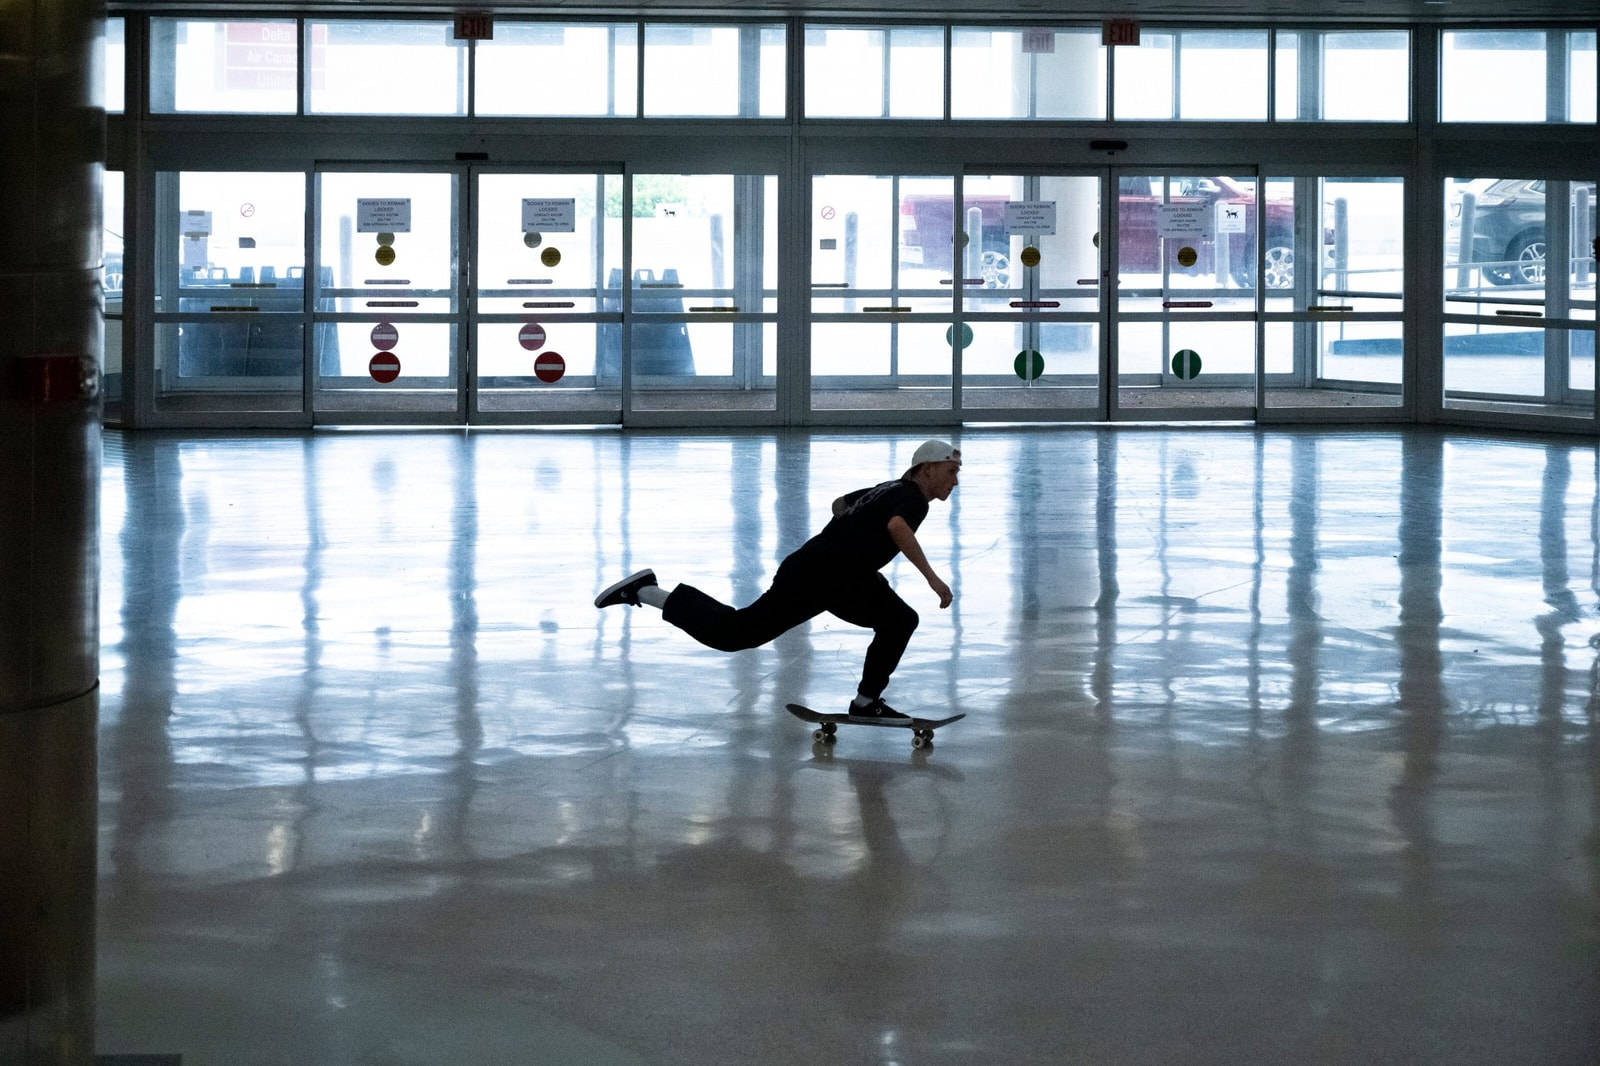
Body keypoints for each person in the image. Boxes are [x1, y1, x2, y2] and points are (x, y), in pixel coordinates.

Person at [594, 439, 962, 720]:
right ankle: (646, 590)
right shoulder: (914, 499)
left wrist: (854, 552)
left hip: (828, 572)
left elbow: (841, 505)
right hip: (818, 577)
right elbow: (896, 526)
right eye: (951, 471)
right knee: (736, 633)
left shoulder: (889, 487)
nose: (955, 480)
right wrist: (932, 579)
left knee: (899, 620)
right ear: (928, 469)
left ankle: (866, 701)